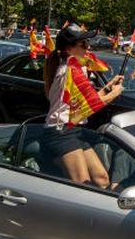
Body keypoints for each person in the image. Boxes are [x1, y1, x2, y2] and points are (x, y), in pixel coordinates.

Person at [42, 25, 125, 188]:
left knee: (101, 179)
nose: (88, 47)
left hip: (74, 130)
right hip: (61, 131)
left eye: (88, 43)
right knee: (82, 183)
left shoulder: (75, 68)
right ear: (69, 49)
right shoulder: (69, 70)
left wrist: (108, 87)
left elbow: (86, 102)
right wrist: (115, 93)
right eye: (83, 44)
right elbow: (93, 104)